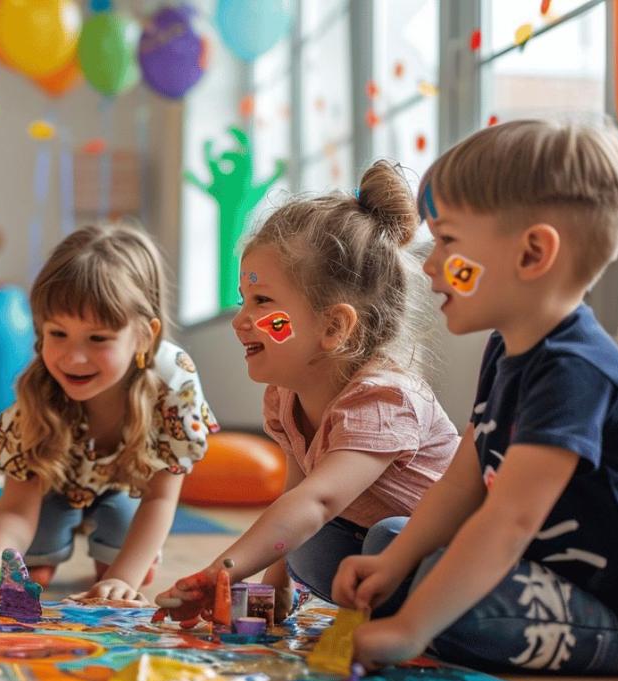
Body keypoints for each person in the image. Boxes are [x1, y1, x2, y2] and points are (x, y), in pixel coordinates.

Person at [334, 120, 618, 675]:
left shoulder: (576, 369)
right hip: (534, 572)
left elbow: (508, 522)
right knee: (388, 540)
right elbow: (463, 482)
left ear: (531, 254)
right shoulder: (507, 347)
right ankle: (425, 604)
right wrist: (397, 562)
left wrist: (409, 627)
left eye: (448, 241)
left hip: (617, 612)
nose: (430, 264)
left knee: (451, 609)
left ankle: (429, 616)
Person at [156, 161, 458, 626]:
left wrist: (222, 572)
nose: (241, 321)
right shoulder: (285, 397)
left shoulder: (384, 400)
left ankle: (425, 621)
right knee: (308, 545)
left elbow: (320, 501)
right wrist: (273, 583)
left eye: (262, 303)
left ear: (333, 326)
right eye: (242, 300)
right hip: (373, 548)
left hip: (452, 553)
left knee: (387, 537)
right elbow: (296, 501)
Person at [0, 224, 218, 604]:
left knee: (118, 575)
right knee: (30, 570)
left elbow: (160, 498)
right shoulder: (38, 388)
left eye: (98, 338)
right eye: (58, 334)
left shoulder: (173, 381)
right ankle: (47, 538)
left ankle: (108, 539)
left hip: (128, 487)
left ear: (144, 336)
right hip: (53, 486)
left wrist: (125, 575)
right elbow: (16, 507)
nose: (74, 357)